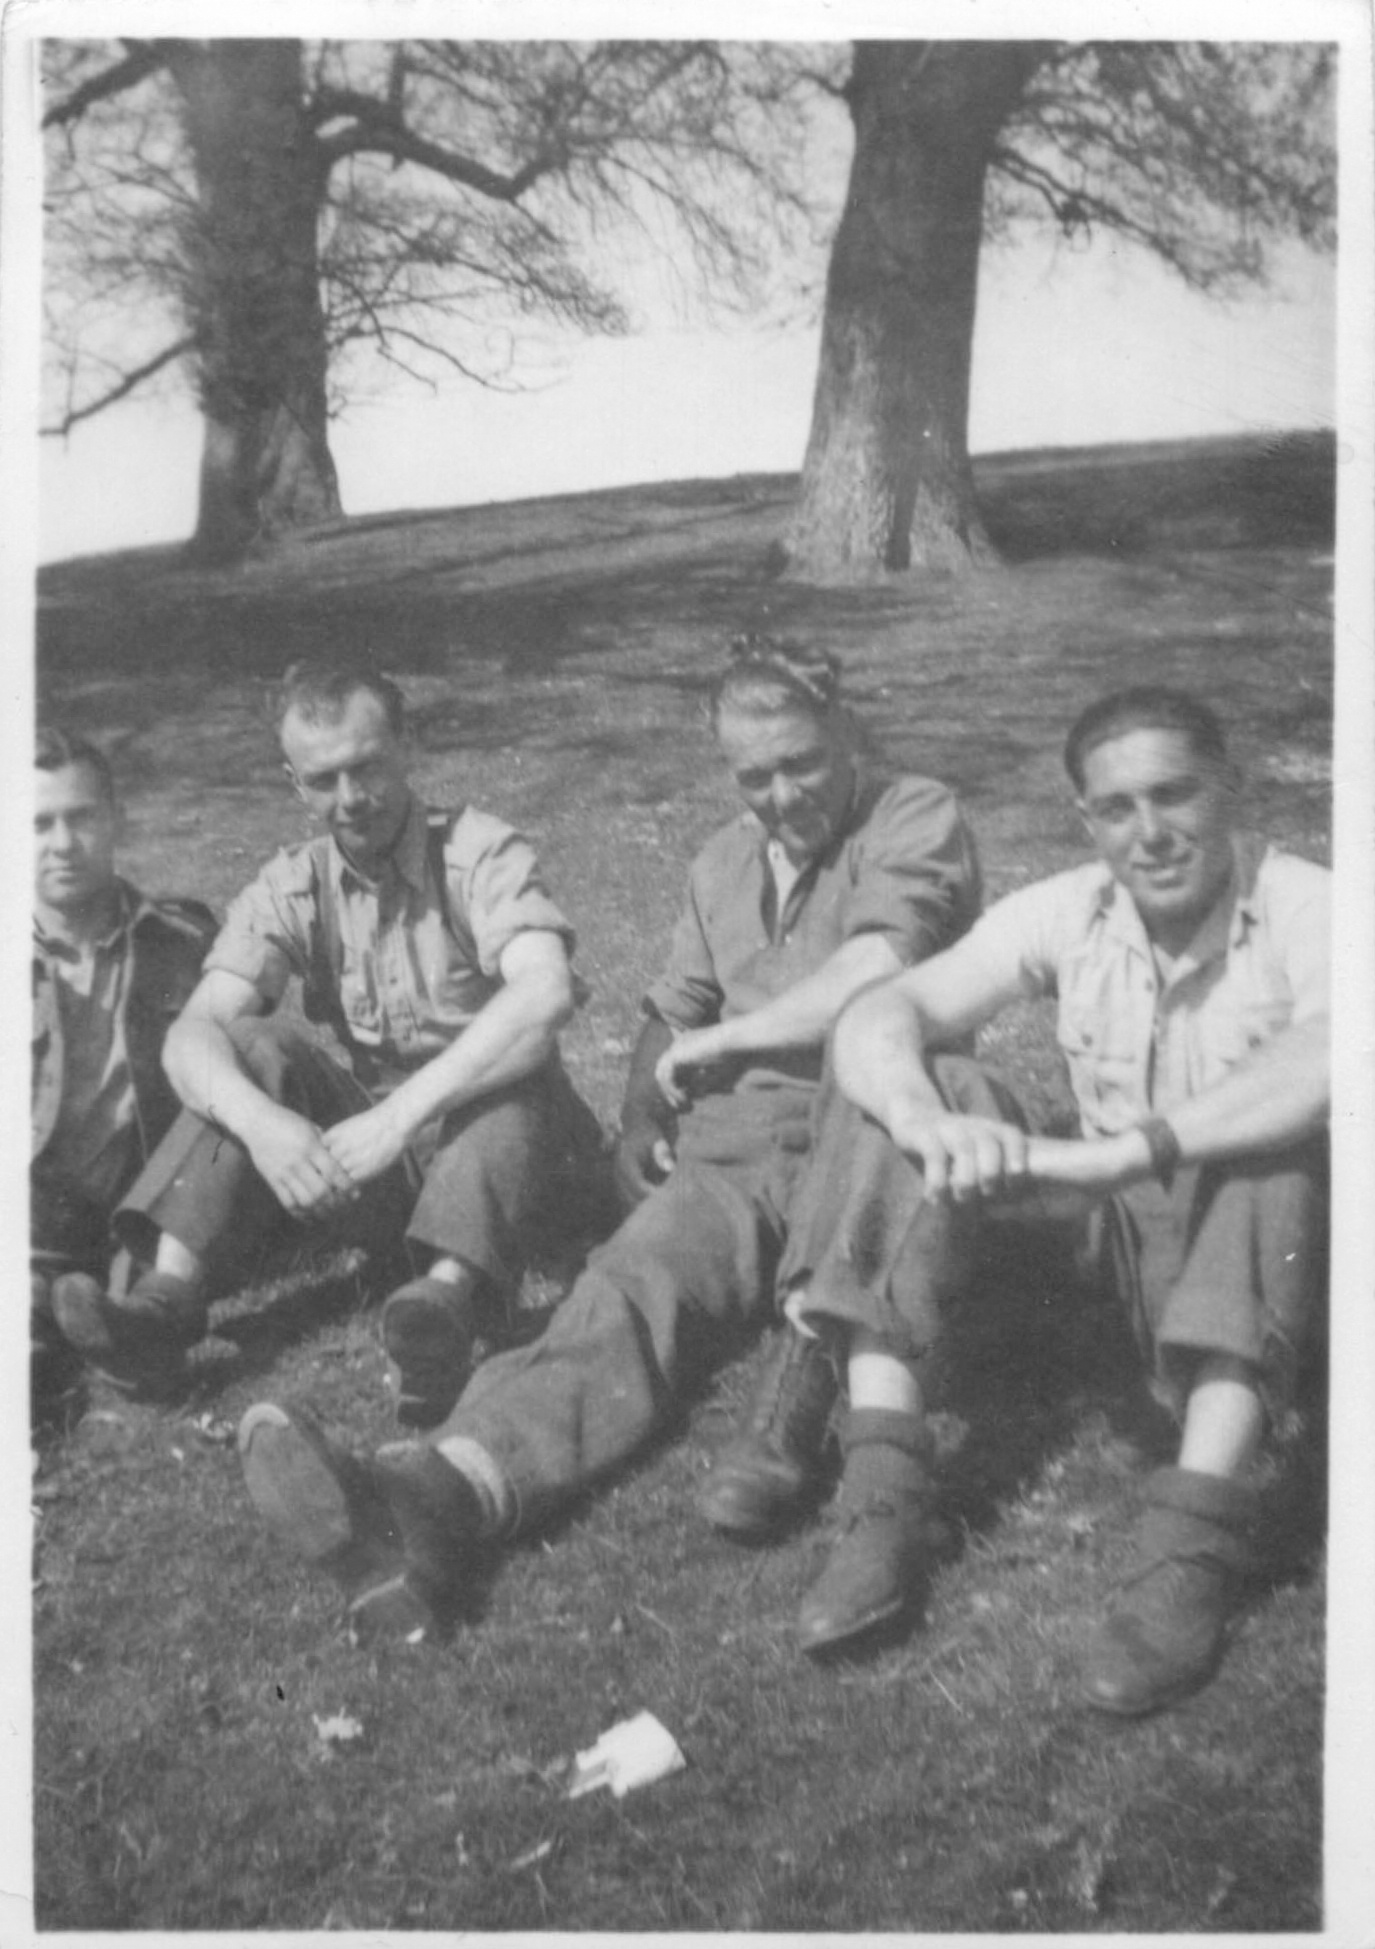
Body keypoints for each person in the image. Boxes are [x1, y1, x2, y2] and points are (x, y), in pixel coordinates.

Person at [236, 637, 984, 1641]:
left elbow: (876, 968)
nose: (779, 795)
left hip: (869, 1128)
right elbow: (672, 1008)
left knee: (849, 1234)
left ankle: (826, 1431)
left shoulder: (913, 815)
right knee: (622, 1290)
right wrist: (640, 1118)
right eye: (752, 775)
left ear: (846, 731)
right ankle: (444, 1491)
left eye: (801, 763)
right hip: (731, 1149)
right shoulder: (722, 861)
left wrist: (728, 1039)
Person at [748, 685, 1328, 1713]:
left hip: (1270, 1263)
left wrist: (1119, 1156)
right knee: (924, 1088)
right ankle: (882, 1495)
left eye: (1173, 795)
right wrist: (923, 1117)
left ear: (1229, 788)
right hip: (1117, 1249)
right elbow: (884, 1009)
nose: (1149, 833)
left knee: (1275, 1148)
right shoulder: (1071, 907)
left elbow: (1334, 1054)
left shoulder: (1308, 905)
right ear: (1086, 820)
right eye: (1116, 808)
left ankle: (1190, 1539)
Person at [53, 658, 605, 1412]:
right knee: (249, 1049)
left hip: (522, 1162)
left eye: (366, 767)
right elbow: (192, 1034)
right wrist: (266, 1126)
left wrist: (395, 1118)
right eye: (322, 780)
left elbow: (543, 996)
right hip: (389, 1169)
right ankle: (163, 1305)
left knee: (513, 1073)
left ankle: (446, 1307)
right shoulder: (294, 883)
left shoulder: (479, 852)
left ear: (406, 746)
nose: (350, 799)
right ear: (294, 783)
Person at [32, 727, 216, 1411]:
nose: (62, 843)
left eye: (80, 817)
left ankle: (134, 1336)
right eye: (38, 824)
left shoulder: (184, 941)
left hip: (146, 1210)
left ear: (118, 820)